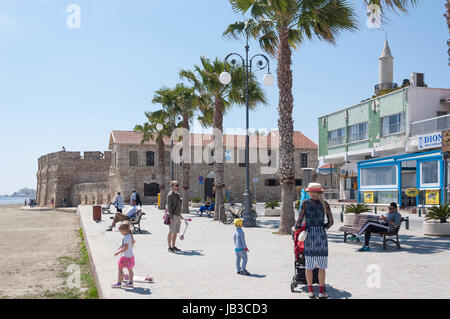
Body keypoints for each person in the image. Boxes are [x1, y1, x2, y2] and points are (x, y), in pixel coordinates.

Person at [292, 182, 333, 299]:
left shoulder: (305, 203)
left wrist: (295, 228)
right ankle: (321, 292)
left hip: (309, 236)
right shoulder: (325, 204)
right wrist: (322, 228)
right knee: (321, 266)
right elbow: (331, 222)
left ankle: (310, 291)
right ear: (319, 192)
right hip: (321, 237)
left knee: (309, 266)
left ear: (310, 192)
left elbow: (299, 221)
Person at [111, 222, 135, 288]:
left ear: (124, 230)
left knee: (120, 269)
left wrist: (118, 252)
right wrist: (122, 245)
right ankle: (130, 282)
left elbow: (125, 248)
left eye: (121, 231)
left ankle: (118, 283)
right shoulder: (130, 235)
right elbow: (133, 242)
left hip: (125, 257)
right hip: (130, 256)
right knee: (130, 270)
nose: (120, 233)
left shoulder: (126, 238)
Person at [167, 181, 183, 253]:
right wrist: (171, 217)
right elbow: (169, 207)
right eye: (176, 185)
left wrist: (180, 215)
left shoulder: (178, 194)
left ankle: (173, 246)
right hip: (173, 216)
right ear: (172, 186)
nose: (178, 186)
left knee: (176, 232)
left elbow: (179, 206)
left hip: (178, 215)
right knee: (171, 231)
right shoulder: (170, 195)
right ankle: (169, 247)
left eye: (178, 185)